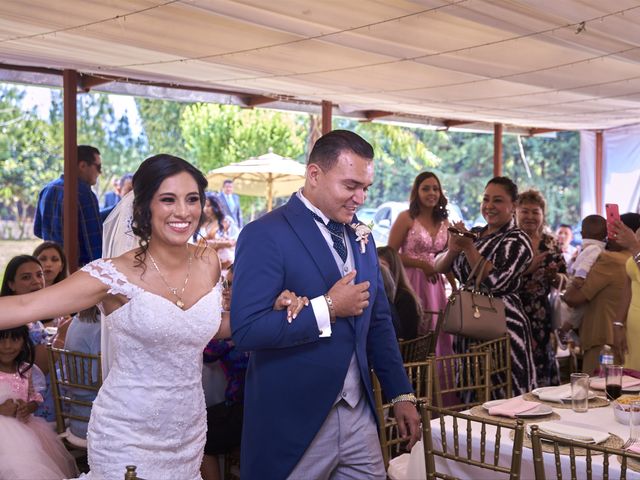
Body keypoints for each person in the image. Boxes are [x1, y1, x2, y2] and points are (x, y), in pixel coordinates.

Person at [0, 153, 307, 479]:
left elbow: (213, 325)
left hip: (188, 431)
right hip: (127, 433)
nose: (183, 211)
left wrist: (268, 308)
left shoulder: (209, 261)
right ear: (144, 207)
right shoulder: (113, 275)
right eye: (168, 200)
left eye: (192, 199)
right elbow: (23, 307)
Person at [231, 130, 420, 479]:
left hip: (358, 415)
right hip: (294, 418)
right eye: (350, 186)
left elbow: (378, 322)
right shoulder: (266, 234)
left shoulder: (363, 237)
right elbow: (246, 331)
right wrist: (329, 307)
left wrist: (400, 393)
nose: (360, 198)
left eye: (366, 187)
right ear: (315, 174)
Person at [435, 176, 536, 396]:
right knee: (472, 399)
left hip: (502, 329)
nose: (489, 206)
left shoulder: (518, 240)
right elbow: (439, 266)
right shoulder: (476, 233)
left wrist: (469, 248)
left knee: (502, 400)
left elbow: (496, 281)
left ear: (513, 206)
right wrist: (454, 248)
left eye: (498, 200)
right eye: (486, 199)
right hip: (468, 327)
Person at [563, 213, 640, 374]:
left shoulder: (609, 260)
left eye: (614, 230)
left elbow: (573, 298)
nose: (608, 236)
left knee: (597, 393)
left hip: (603, 340)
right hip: (623, 335)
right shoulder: (628, 260)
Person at [0, 325, 78, 479]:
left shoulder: (26, 369)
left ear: (24, 341)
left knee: (30, 466)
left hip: (27, 430)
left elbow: (33, 396)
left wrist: (28, 407)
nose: (7, 346)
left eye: (15, 339)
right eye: (1, 340)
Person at [387, 172, 452, 350]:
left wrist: (454, 287)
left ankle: (437, 375)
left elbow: (449, 255)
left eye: (435, 189)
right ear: (416, 192)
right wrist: (421, 264)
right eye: (426, 189)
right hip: (411, 281)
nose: (431, 193)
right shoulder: (406, 218)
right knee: (416, 327)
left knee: (436, 327)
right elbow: (390, 254)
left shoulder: (444, 221)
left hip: (436, 284)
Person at [201, 266, 250, 480]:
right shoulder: (252, 319)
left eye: (233, 285)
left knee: (197, 437)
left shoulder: (237, 329)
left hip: (245, 411)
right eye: (225, 285)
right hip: (252, 409)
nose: (226, 291)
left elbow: (207, 353)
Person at [515, 189, 565, 387]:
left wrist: (556, 277)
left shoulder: (550, 242)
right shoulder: (510, 241)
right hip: (513, 312)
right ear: (515, 212)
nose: (530, 216)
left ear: (543, 215)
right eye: (524, 211)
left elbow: (565, 278)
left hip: (541, 315)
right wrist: (528, 269)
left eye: (535, 212)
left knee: (542, 367)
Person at [1, 255, 56, 422]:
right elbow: (37, 368)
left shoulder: (32, 316)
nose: (36, 281)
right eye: (26, 277)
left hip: (32, 401)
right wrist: (60, 341)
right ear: (11, 284)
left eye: (39, 275)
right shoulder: (11, 319)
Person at [34, 144, 103, 266]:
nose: (100, 172)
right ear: (82, 165)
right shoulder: (84, 194)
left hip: (52, 268)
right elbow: (94, 243)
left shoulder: (47, 189)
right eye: (98, 167)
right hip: (77, 268)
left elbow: (38, 231)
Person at [595, 215, 640, 370]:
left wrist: (634, 247)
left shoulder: (635, 242)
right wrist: (617, 324)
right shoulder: (638, 233)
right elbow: (630, 282)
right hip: (633, 331)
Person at [558, 215, 607, 334]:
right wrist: (580, 278)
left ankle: (567, 330)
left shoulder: (588, 247)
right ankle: (565, 329)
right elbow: (586, 264)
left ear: (582, 233)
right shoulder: (596, 248)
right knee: (580, 309)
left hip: (576, 279)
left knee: (578, 309)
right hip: (579, 281)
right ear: (605, 235)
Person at [63, 306, 101, 441]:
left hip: (76, 414)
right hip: (95, 424)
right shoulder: (101, 329)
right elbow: (102, 381)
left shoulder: (77, 320)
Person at [377, 246, 421, 340]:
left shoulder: (405, 298)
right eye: (375, 265)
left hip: (402, 350)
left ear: (393, 268)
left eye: (382, 265)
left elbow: (401, 335)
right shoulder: (377, 293)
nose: (379, 270)